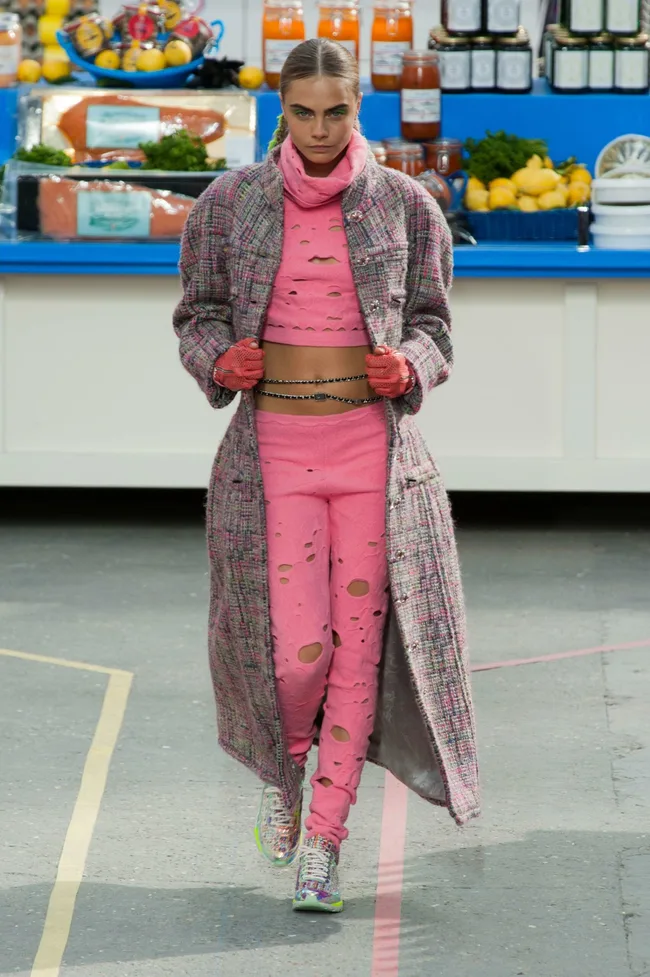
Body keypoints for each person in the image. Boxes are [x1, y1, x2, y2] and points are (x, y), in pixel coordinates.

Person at [173, 38, 479, 914]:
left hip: (374, 463)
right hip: (270, 458)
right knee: (294, 654)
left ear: (358, 110)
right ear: (281, 108)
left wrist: (411, 367)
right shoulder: (230, 205)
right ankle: (283, 767)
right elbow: (196, 315)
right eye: (302, 112)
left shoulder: (408, 208)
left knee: (355, 652)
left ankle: (326, 841)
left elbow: (435, 328)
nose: (317, 129)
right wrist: (218, 360)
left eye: (334, 112)